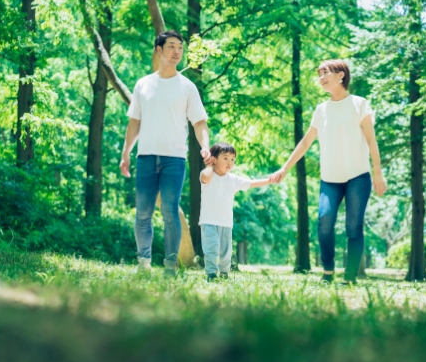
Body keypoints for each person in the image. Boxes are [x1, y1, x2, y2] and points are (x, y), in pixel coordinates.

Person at [270, 59, 386, 285]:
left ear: (341, 75)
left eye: (326, 73)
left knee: (353, 227)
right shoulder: (321, 110)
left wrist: (377, 173)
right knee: (324, 221)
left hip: (358, 177)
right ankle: (328, 271)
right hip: (330, 179)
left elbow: (372, 142)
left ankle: (350, 277)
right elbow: (305, 143)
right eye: (319, 74)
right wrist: (285, 168)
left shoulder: (360, 104)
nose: (321, 78)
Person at [120, 30, 211, 275]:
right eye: (171, 46)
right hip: (146, 157)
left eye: (180, 48)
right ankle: (144, 263)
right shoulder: (143, 84)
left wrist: (205, 146)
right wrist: (126, 152)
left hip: (174, 159)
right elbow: (134, 122)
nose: (176, 51)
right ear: (159, 50)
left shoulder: (187, 87)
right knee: (143, 212)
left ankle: (170, 265)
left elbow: (199, 122)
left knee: (170, 210)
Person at [199, 142, 271, 280]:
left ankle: (224, 273)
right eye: (225, 158)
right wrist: (209, 164)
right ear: (214, 159)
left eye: (232, 159)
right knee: (211, 249)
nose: (229, 163)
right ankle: (211, 273)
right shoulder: (207, 174)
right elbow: (205, 177)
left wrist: (269, 180)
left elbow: (250, 183)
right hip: (208, 221)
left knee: (226, 252)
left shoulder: (233, 179)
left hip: (226, 223)